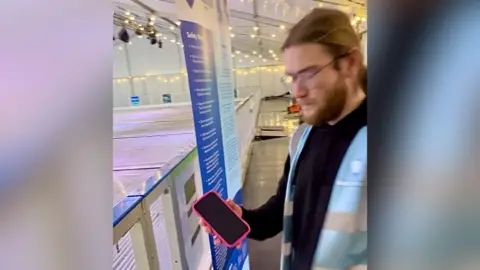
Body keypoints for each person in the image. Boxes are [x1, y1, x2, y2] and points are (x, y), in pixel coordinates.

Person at [201, 8, 367, 270]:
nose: (297, 91)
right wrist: (244, 219)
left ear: (350, 64)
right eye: (292, 77)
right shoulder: (304, 136)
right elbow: (282, 210)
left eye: (309, 73)